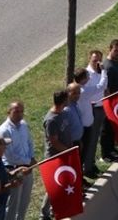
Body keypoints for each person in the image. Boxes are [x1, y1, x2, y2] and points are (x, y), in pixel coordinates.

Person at [0, 103, 34, 220]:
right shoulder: (3, 131)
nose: (20, 114)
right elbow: (10, 156)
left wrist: (31, 158)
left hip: (28, 167)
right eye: (16, 112)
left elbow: (30, 143)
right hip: (14, 169)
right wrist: (28, 161)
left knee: (25, 199)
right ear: (9, 112)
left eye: (21, 111)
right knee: (13, 202)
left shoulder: (24, 125)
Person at [39, 91, 74, 220]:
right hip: (55, 156)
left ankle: (57, 208)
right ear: (64, 101)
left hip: (65, 152)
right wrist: (68, 150)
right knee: (53, 185)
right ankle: (44, 214)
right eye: (68, 99)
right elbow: (54, 142)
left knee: (63, 182)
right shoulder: (51, 120)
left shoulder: (63, 113)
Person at [81, 51, 108, 175]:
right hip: (93, 109)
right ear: (89, 59)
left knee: (95, 138)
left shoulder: (99, 72)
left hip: (101, 106)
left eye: (99, 60)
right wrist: (103, 72)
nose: (97, 63)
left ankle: (91, 163)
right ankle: (87, 168)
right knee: (91, 140)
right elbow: (100, 86)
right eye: (94, 60)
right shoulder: (88, 75)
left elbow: (105, 87)